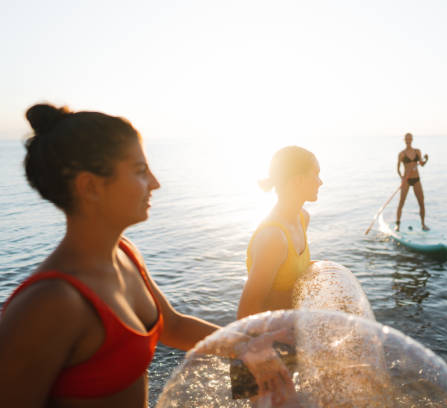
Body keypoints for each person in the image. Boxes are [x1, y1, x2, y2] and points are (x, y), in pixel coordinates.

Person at [0, 104, 281, 407]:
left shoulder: (125, 254)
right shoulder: (50, 303)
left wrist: (247, 345)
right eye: (139, 171)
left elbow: (172, 326)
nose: (155, 183)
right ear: (90, 186)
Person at [238, 146, 322, 318]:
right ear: (297, 180)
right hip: (274, 338)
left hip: (297, 327)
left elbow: (289, 271)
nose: (320, 182)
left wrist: (320, 269)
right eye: (316, 174)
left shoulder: (302, 217)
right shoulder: (273, 238)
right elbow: (245, 313)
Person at [396, 132, 429, 231]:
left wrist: (426, 159)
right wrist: (401, 176)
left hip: (416, 179)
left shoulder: (417, 151)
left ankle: (423, 224)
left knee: (421, 202)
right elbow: (398, 168)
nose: (408, 140)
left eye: (410, 138)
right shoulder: (401, 154)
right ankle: (397, 224)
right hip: (406, 180)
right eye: (407, 139)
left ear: (412, 140)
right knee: (401, 202)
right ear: (404, 140)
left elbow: (422, 164)